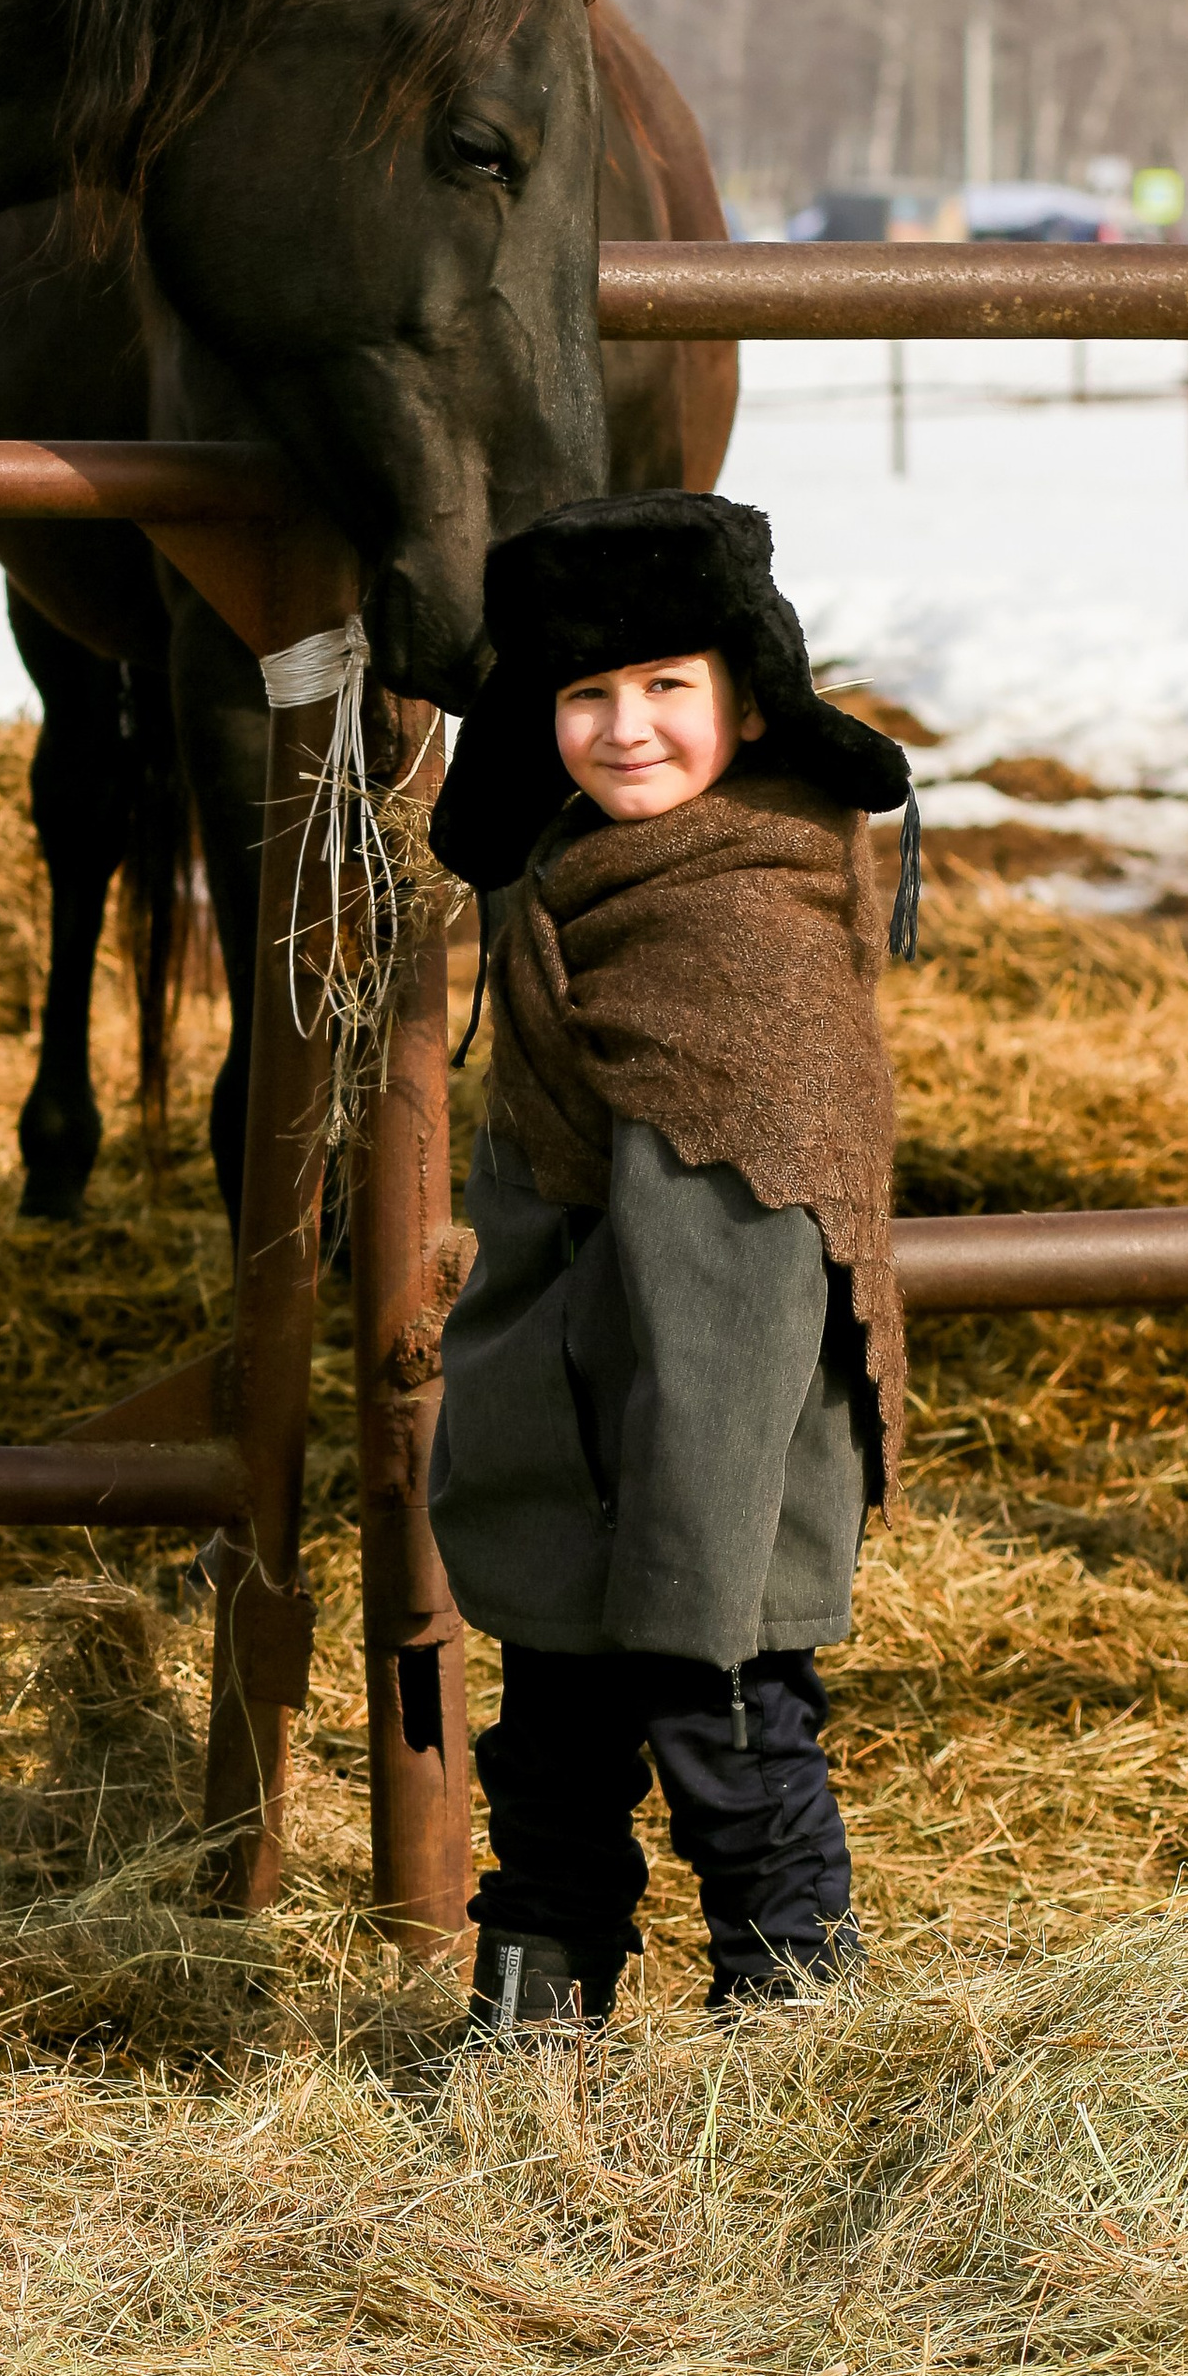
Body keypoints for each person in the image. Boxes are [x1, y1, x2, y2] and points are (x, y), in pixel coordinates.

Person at [425, 491, 917, 2033]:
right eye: (586, 694)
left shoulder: (750, 929)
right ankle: (528, 2044)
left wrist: (686, 1548)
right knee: (550, 1769)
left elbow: (744, 1287)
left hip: (718, 1468)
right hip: (575, 1448)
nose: (625, 729)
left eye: (665, 690)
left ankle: (790, 2049)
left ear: (747, 701)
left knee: (736, 1752)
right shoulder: (577, 886)